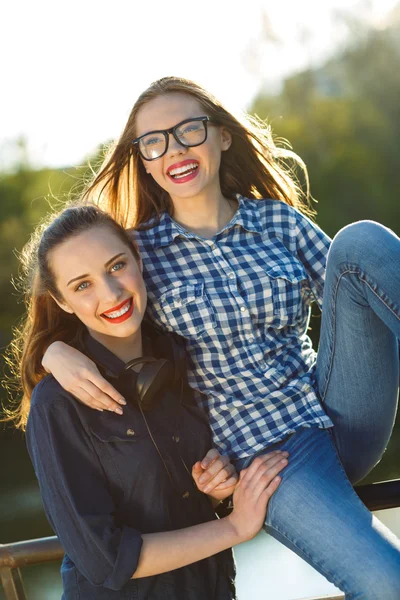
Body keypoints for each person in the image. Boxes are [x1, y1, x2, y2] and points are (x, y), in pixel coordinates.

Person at [42, 77, 400, 598]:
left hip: (340, 408)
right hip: (268, 458)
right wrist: (54, 354)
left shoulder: (278, 222)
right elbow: (83, 313)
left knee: (361, 240)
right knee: (388, 580)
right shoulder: (139, 255)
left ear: (222, 137)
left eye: (189, 130)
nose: (175, 150)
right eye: (155, 142)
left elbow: (358, 295)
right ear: (143, 160)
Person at [4, 204, 288, 599]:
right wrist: (235, 528)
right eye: (82, 285)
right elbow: (106, 559)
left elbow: (173, 493)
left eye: (116, 266)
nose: (112, 293)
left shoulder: (179, 354)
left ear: (138, 258)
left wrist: (215, 487)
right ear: (62, 301)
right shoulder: (57, 403)